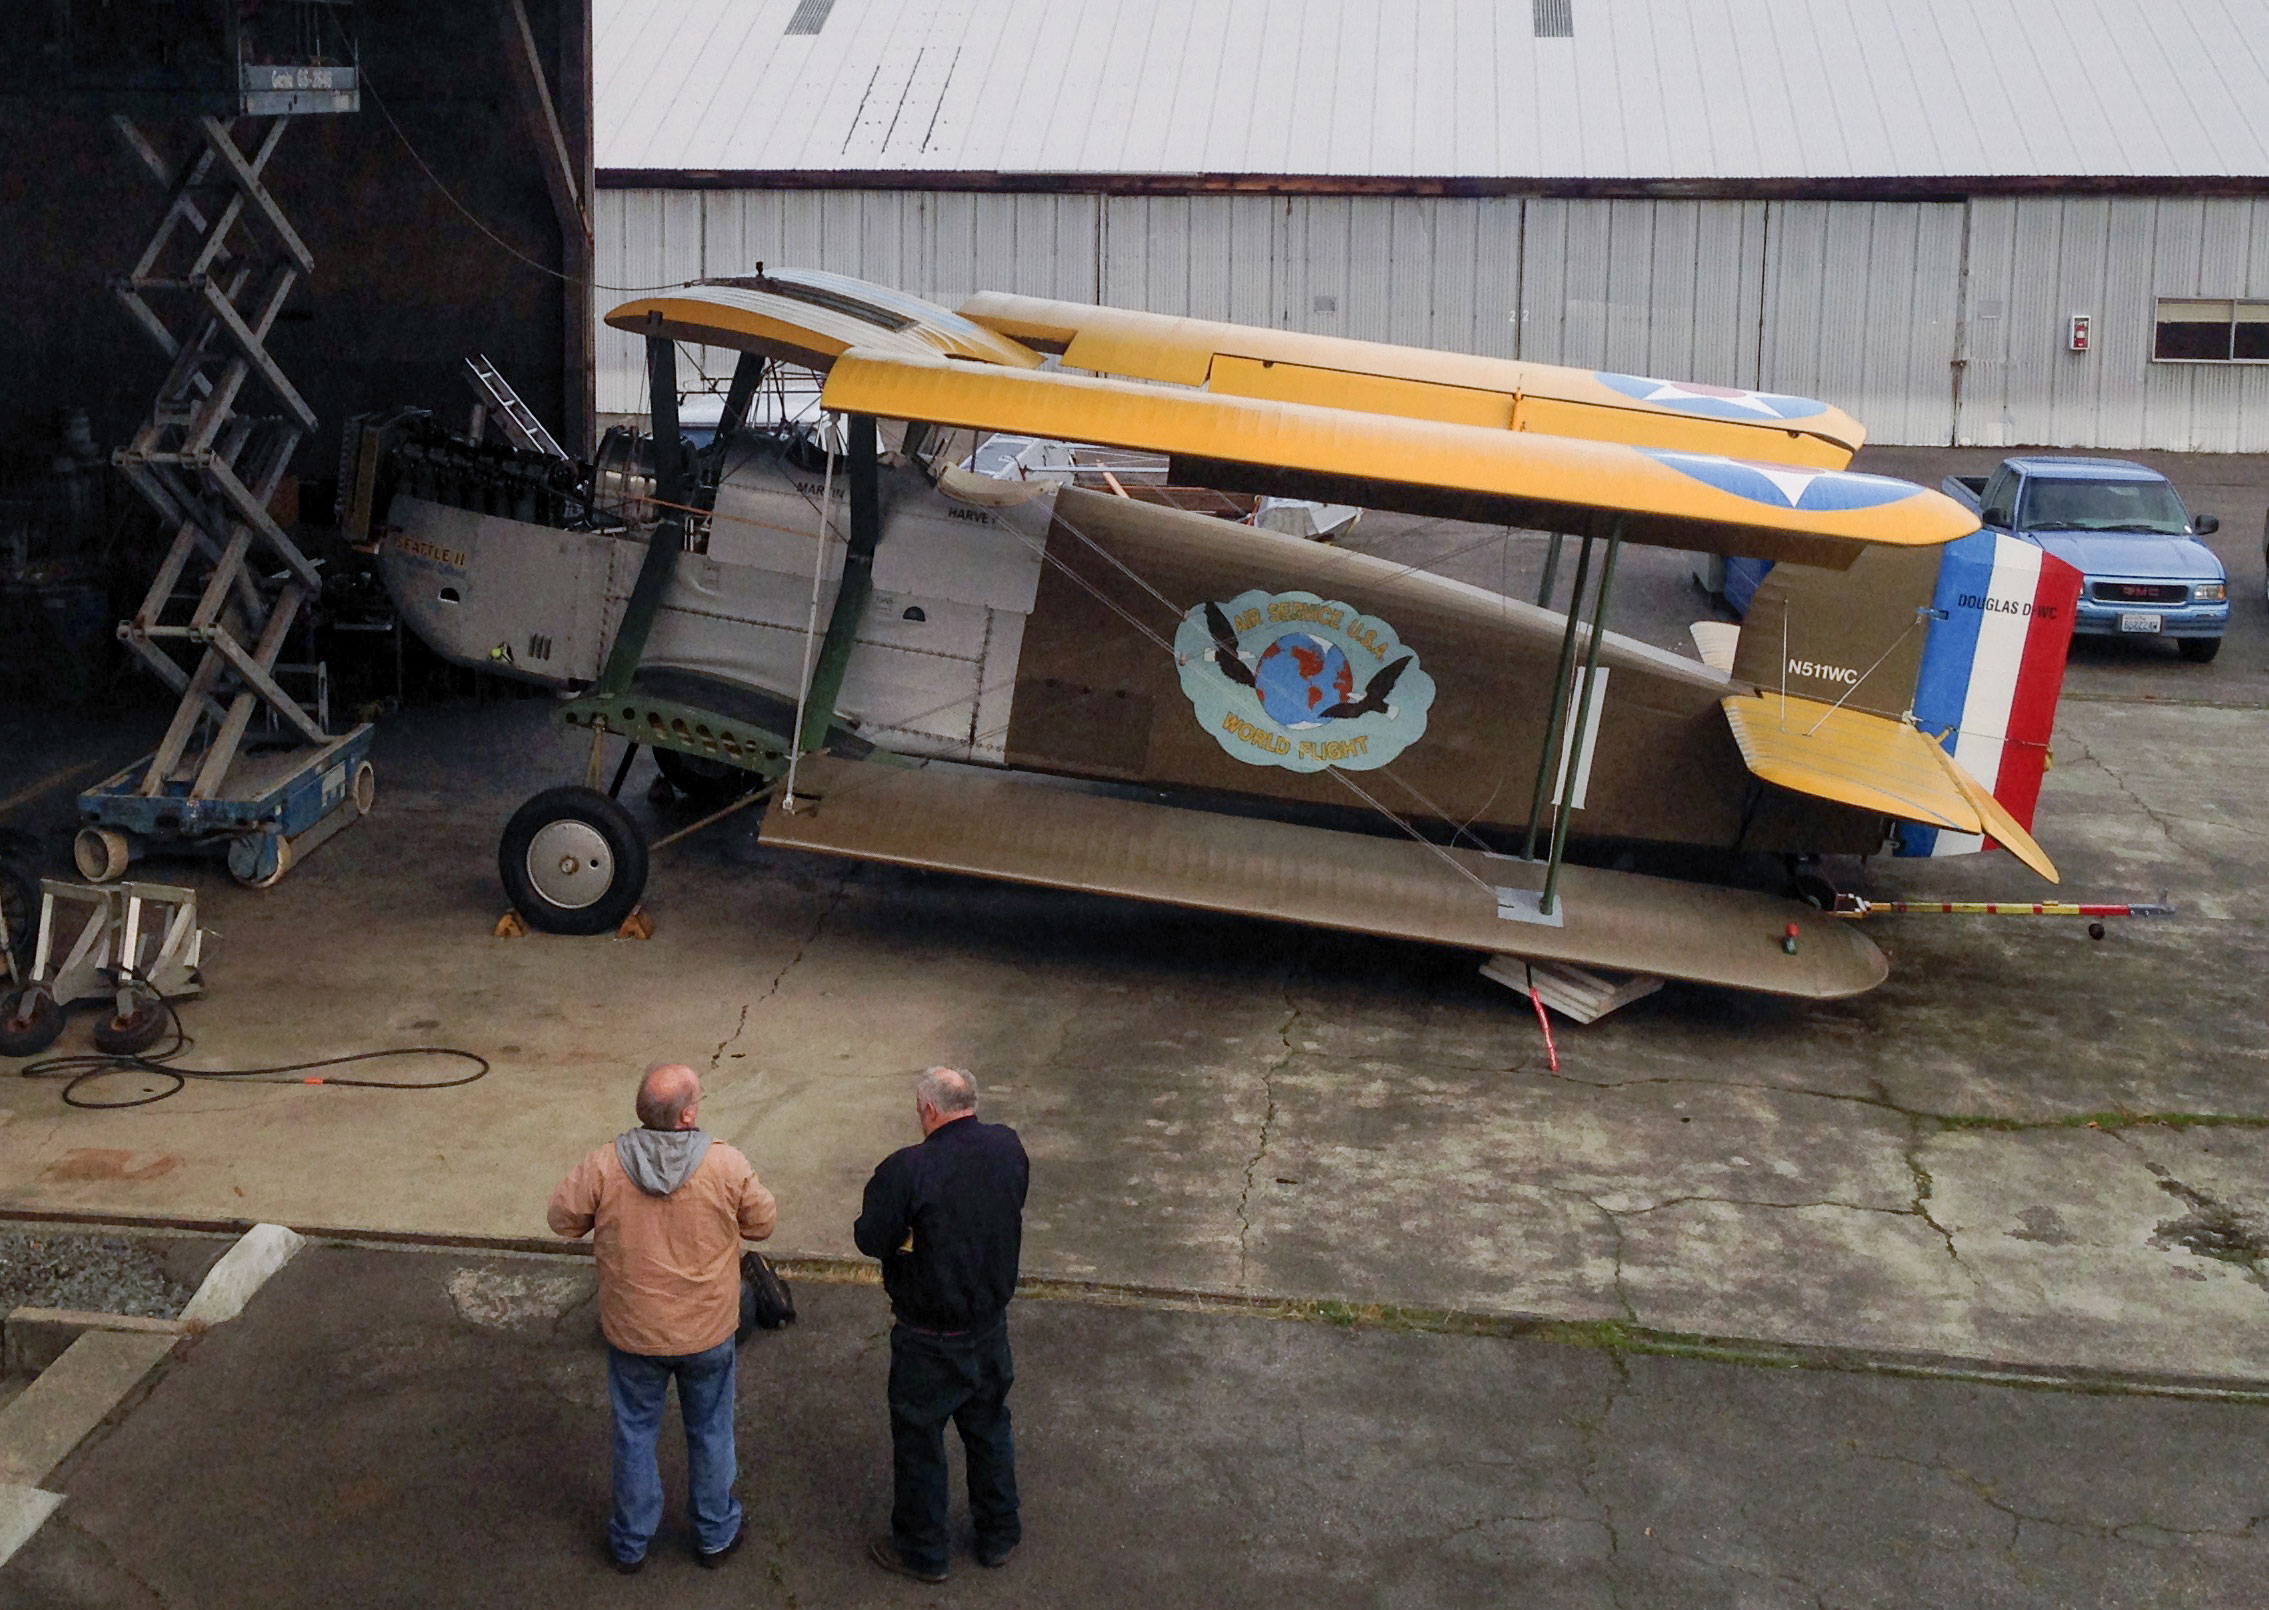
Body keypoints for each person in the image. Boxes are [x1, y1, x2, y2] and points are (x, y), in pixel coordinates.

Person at [548, 1062, 777, 1574]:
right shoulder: (725, 1164)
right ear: (689, 1114)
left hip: (634, 1331)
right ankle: (716, 1533)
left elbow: (562, 1218)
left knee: (634, 1433)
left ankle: (630, 1542)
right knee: (712, 1430)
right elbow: (763, 1222)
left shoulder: (606, 1164)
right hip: (707, 1330)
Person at [855, 1066, 1030, 1583]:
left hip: (928, 1337)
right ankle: (998, 1534)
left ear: (929, 1109)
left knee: (919, 1441)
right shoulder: (1009, 1148)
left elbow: (871, 1238)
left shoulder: (907, 1169)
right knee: (990, 1427)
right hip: (990, 1326)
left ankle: (923, 1550)